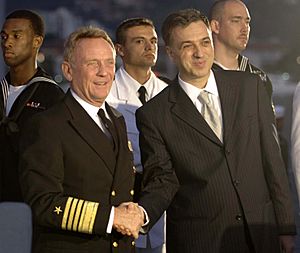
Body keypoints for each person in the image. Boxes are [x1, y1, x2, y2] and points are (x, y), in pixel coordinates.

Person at [133, 8, 295, 253]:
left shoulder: (251, 87)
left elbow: (272, 160)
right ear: (170, 53)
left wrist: (285, 227)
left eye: (205, 42)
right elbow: (162, 180)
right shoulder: (154, 114)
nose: (199, 53)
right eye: (188, 45)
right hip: (201, 241)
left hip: (261, 233)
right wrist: (142, 214)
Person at [18, 26, 144, 253]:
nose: (104, 72)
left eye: (108, 63)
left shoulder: (116, 120)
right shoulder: (47, 125)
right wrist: (112, 217)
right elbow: (43, 203)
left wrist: (137, 213)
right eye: (92, 64)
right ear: (68, 70)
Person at [106, 17, 168, 253]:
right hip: (121, 195)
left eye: (153, 41)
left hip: (163, 197)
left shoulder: (169, 93)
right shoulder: (106, 93)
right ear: (120, 49)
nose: (149, 47)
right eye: (140, 41)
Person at [0, 9, 64, 201]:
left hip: (31, 205)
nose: (7, 42)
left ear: (37, 41)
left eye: (16, 36)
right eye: (4, 36)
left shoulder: (53, 97)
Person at [209, 0, 273, 99]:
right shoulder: (201, 76)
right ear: (216, 26)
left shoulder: (260, 78)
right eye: (236, 21)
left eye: (247, 22)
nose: (245, 28)